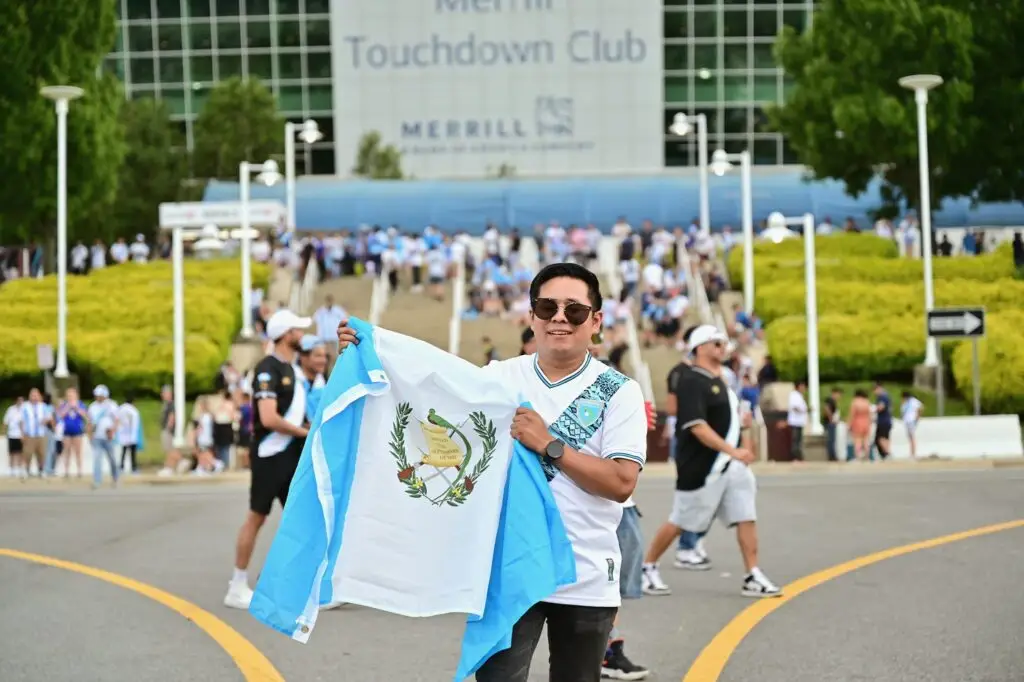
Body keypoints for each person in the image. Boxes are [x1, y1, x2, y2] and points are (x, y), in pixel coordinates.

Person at [337, 262, 648, 682]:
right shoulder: (498, 379)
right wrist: (367, 357)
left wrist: (551, 446)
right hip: (508, 570)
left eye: (574, 310)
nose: (559, 317)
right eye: (547, 307)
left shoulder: (620, 392)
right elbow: (428, 402)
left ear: (595, 321)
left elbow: (621, 482)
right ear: (532, 316)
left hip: (586, 575)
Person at [640, 325, 782, 599]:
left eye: (723, 343)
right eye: (716, 343)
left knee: (746, 516)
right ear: (700, 347)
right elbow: (697, 426)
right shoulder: (691, 380)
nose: (722, 348)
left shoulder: (722, 380)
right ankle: (648, 566)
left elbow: (729, 422)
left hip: (731, 466)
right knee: (681, 520)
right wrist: (732, 450)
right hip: (703, 467)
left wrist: (742, 444)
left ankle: (752, 574)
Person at [224, 309, 313, 610]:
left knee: (300, 521)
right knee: (257, 516)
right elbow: (268, 417)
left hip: (291, 455)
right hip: (270, 454)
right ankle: (237, 586)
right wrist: (303, 432)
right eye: (297, 330)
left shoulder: (293, 370)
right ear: (286, 335)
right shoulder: (267, 369)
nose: (301, 335)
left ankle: (277, 582)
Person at [663, 326, 711, 572]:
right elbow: (672, 408)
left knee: (708, 497)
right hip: (689, 439)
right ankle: (685, 546)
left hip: (707, 441)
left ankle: (695, 541)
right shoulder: (680, 373)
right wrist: (697, 414)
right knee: (691, 497)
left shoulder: (704, 374)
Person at [847, 389, 872, 461]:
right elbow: (870, 414)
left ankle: (857, 457)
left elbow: (852, 414)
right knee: (866, 441)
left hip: (857, 422)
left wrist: (849, 424)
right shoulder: (867, 402)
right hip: (866, 422)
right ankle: (867, 457)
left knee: (857, 440)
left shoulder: (855, 402)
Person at [900, 391, 924, 459]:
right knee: (910, 437)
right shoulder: (905, 402)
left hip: (911, 421)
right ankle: (911, 453)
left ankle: (913, 453)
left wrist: (917, 417)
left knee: (912, 437)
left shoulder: (914, 401)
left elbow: (920, 407)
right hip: (907, 421)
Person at [873, 381, 892, 460]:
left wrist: (873, 409)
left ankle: (887, 453)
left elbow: (881, 407)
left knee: (880, 438)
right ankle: (886, 454)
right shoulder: (886, 396)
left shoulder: (883, 397)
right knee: (885, 437)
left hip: (883, 421)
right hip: (886, 420)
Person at [822, 387, 842, 462]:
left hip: (831, 422)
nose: (839, 397)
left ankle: (832, 456)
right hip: (830, 423)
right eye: (839, 395)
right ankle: (832, 456)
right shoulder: (830, 400)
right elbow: (826, 408)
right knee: (831, 440)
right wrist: (831, 419)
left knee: (832, 440)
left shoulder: (833, 401)